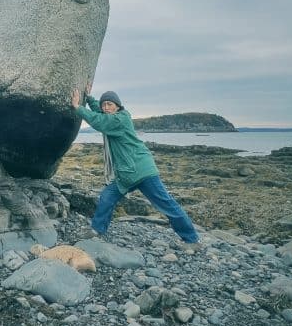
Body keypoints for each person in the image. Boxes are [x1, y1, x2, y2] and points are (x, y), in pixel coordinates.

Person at [71, 85, 199, 243]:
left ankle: (192, 240)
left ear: (118, 106)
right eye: (104, 104)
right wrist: (89, 98)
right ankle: (97, 230)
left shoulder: (121, 118)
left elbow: (100, 121)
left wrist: (78, 107)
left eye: (110, 104)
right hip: (126, 174)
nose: (106, 107)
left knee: (167, 205)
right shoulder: (112, 116)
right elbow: (100, 112)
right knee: (107, 197)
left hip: (142, 171)